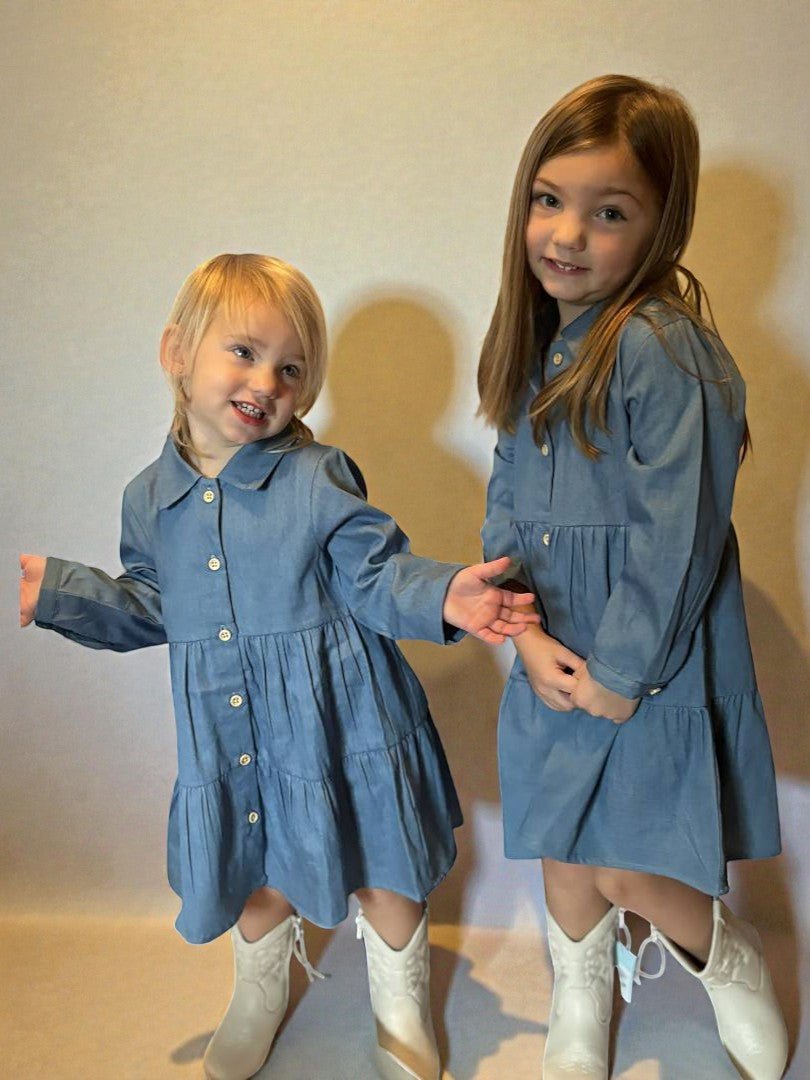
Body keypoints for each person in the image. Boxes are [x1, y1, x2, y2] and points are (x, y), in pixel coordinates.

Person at [19, 253, 539, 1080]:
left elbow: (375, 572)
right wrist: (62, 594)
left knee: (383, 868)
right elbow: (153, 603)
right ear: (176, 354)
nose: (267, 379)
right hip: (236, 737)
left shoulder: (316, 476)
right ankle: (259, 995)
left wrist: (446, 596)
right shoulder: (149, 500)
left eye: (290, 367)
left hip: (346, 721)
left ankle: (401, 1004)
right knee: (258, 876)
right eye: (244, 351)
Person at [478, 75, 788, 1079]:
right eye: (548, 199)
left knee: (629, 856)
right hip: (552, 644)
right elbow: (509, 509)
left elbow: (680, 537)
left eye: (607, 213)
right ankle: (582, 983)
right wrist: (519, 634)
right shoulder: (538, 349)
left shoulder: (663, 350)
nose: (566, 233)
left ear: (660, 224)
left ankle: (718, 951)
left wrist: (616, 671)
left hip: (641, 656)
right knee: (564, 846)